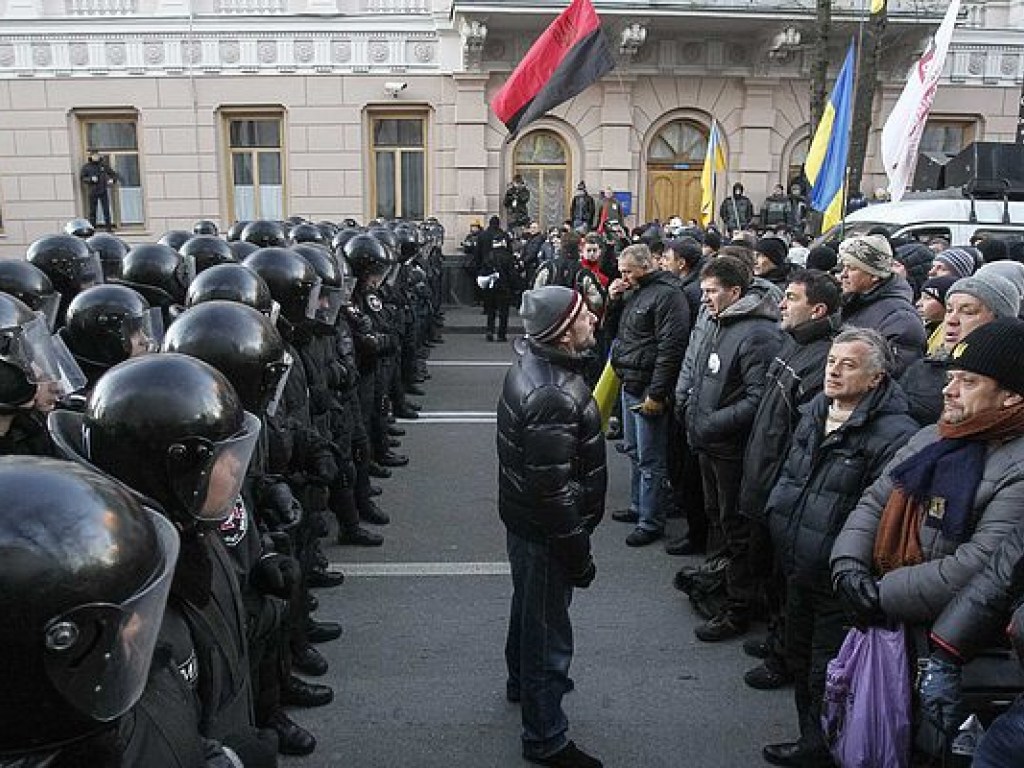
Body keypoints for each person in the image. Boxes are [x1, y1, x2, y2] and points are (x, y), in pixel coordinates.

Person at [762, 328, 918, 768]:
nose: (833, 370)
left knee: (824, 667)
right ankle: (811, 736)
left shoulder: (894, 434)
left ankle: (824, 748)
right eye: (832, 361)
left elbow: (878, 513)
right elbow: (790, 473)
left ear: (875, 379)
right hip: (795, 561)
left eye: (848, 365)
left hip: (836, 574)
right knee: (798, 656)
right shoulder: (815, 409)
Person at [831, 317, 1024, 632]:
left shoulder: (1016, 469)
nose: (949, 391)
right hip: (891, 610)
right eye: (951, 378)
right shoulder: (934, 436)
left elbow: (979, 564)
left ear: (1012, 395)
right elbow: (875, 501)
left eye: (969, 382)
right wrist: (848, 565)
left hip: (951, 636)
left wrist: (882, 593)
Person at [497, 285, 606, 768]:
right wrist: (578, 554)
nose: (593, 322)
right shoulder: (553, 393)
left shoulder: (538, 366)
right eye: (584, 316)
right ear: (563, 330)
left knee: (529, 610)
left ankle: (521, 683)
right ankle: (545, 738)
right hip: (545, 532)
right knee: (548, 635)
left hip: (526, 525)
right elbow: (554, 492)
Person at [738, 269, 840, 689]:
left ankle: (785, 658)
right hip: (767, 479)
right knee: (775, 577)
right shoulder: (794, 343)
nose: (781, 303)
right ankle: (778, 639)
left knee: (788, 581)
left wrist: (781, 490)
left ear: (817, 309)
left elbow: (802, 441)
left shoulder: (819, 358)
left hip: (784, 488)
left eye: (792, 298)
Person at [683, 255, 783, 640]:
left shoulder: (757, 333)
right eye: (703, 291)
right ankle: (721, 587)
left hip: (732, 450)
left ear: (735, 292)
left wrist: (710, 422)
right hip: (711, 445)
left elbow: (758, 399)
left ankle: (739, 608)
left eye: (711, 292)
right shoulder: (721, 323)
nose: (704, 298)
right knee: (719, 520)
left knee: (736, 528)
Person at [605, 243, 691, 546]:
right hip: (630, 380)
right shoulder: (637, 291)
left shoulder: (668, 295)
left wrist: (657, 393)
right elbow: (615, 332)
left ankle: (651, 520)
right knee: (634, 452)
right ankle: (638, 505)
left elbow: (671, 347)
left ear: (646, 266)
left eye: (628, 271)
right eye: (621, 272)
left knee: (651, 458)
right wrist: (614, 300)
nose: (623, 277)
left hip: (647, 386)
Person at [900, 271, 1021, 426]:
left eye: (967, 311)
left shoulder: (1010, 379)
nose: (951, 320)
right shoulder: (922, 367)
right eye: (949, 310)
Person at [837, 234, 926, 377]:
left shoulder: (901, 319)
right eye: (844, 267)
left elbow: (894, 376)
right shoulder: (853, 302)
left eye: (852, 268)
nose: (843, 275)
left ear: (874, 275)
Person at [477, 215, 516, 342]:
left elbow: (481, 265)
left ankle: (490, 330)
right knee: (504, 312)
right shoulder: (507, 256)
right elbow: (512, 273)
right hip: (504, 287)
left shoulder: (489, 255)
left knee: (491, 310)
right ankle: (501, 334)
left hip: (491, 285)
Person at [80, 150, 118, 231]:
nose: (96, 157)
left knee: (106, 210)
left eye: (97, 155)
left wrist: (112, 180)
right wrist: (90, 179)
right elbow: (82, 178)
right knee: (92, 212)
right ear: (90, 157)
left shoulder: (103, 166)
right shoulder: (86, 167)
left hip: (103, 190)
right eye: (94, 155)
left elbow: (113, 174)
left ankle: (109, 228)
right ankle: (92, 229)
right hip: (92, 191)